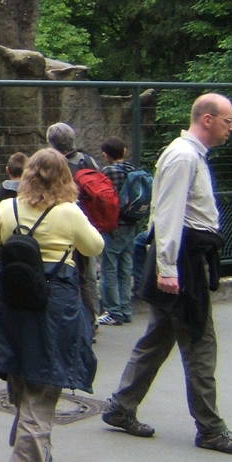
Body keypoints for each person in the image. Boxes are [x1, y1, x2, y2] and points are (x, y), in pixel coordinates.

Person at [101, 94, 232, 455]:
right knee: (200, 341)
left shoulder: (188, 155)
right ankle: (210, 429)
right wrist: (169, 269)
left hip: (181, 258)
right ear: (207, 119)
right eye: (228, 121)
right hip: (182, 261)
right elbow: (168, 215)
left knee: (159, 336)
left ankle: (121, 406)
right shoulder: (184, 157)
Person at [0, 148, 104, 462]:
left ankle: (35, 453)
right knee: (41, 388)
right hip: (53, 310)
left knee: (22, 378)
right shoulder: (68, 212)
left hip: (12, 307)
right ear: (65, 177)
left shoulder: (6, 210)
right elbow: (95, 246)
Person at [46, 122, 103, 320]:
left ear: (51, 142)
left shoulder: (51, 165)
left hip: (61, 225)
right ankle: (92, 318)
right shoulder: (88, 161)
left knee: (69, 274)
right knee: (87, 275)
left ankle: (75, 320)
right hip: (87, 222)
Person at [96, 137, 139, 326]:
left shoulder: (108, 172)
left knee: (109, 268)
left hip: (113, 225)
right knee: (126, 267)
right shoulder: (132, 170)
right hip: (131, 223)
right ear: (124, 151)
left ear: (106, 155)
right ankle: (126, 309)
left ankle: (113, 311)